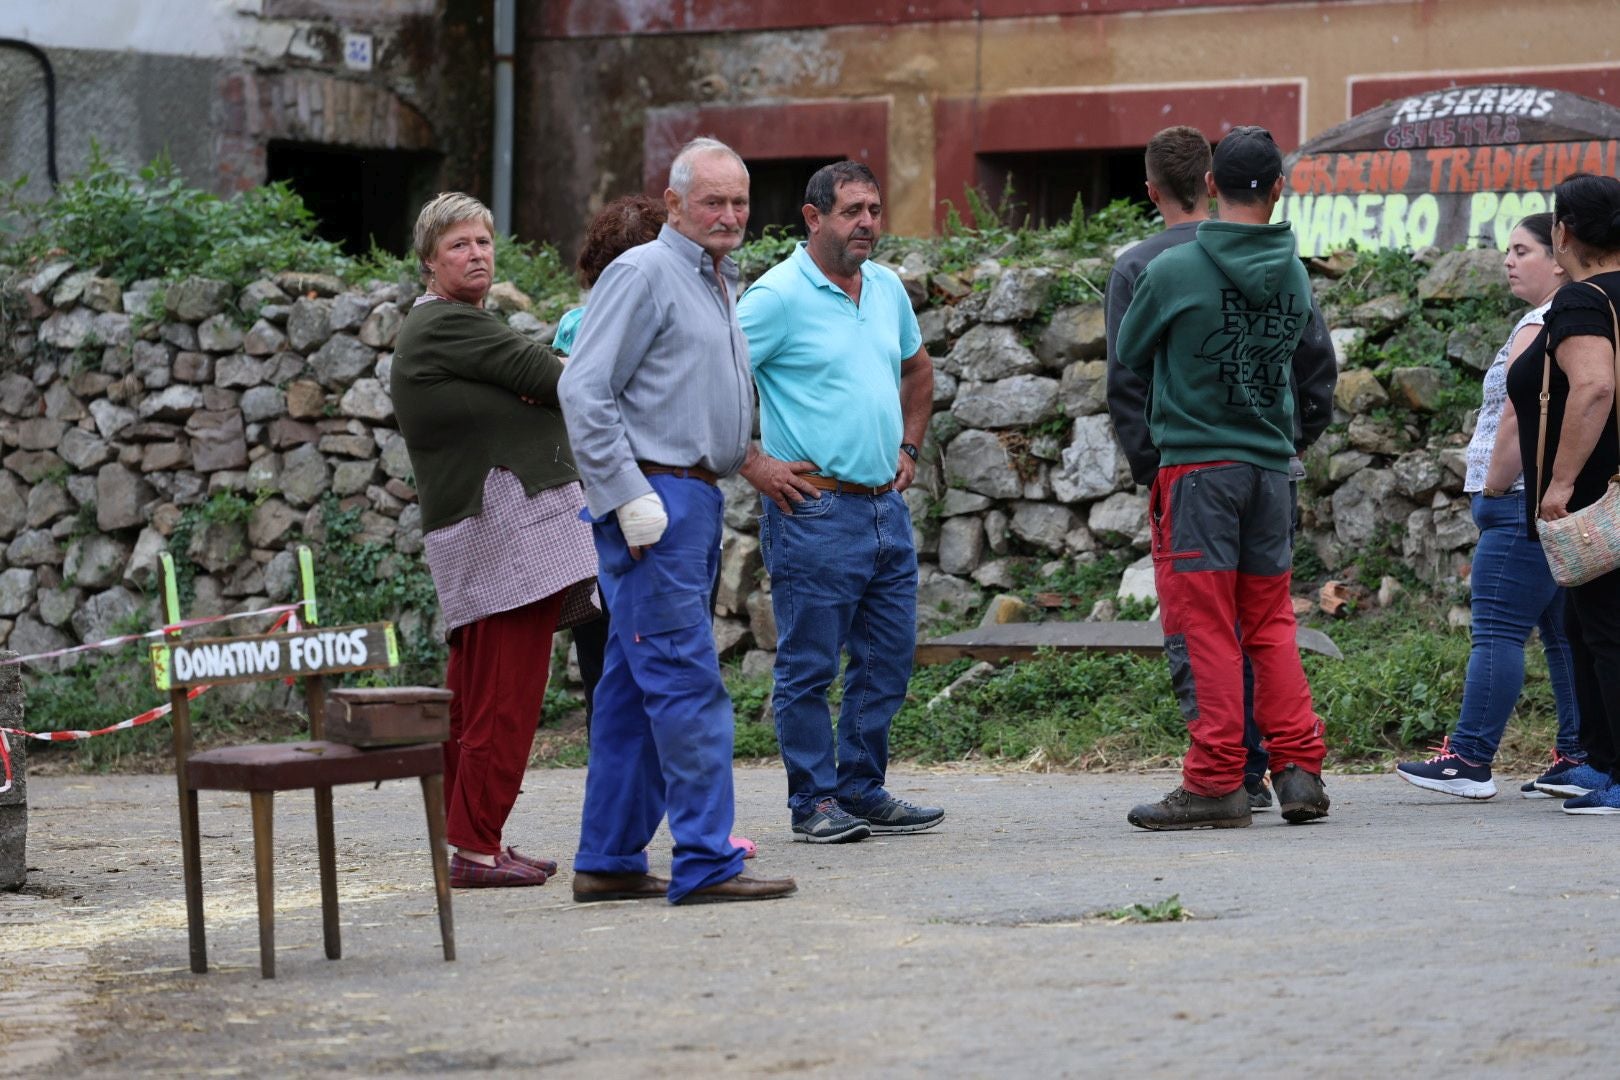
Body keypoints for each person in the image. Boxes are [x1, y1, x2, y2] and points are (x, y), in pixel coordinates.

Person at [558, 137, 797, 901]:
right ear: (673, 204)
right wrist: (626, 494)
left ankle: (608, 859)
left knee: (632, 691)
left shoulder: (715, 278)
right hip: (656, 500)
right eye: (712, 203)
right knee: (686, 683)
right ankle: (704, 858)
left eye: (739, 204)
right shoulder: (644, 272)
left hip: (691, 496)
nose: (729, 217)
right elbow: (584, 391)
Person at [1105, 125, 1336, 813]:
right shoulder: (1294, 271)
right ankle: (1298, 769)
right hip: (1270, 469)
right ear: (1279, 188)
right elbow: (1311, 363)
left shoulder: (1169, 270)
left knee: (1203, 625)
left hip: (1198, 472)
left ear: (1211, 185)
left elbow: (1132, 350)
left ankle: (1215, 781)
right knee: (1269, 625)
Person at [391, 192, 599, 888]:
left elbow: (531, 382)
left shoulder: (461, 328)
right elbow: (552, 378)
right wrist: (539, 390)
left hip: (486, 530)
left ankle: (477, 838)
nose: (476, 254)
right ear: (428, 263)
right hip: (503, 528)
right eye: (459, 245)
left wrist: (532, 391)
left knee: (479, 693)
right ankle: (476, 847)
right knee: (504, 696)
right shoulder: (451, 327)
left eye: (483, 242)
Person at [736, 161, 944, 843]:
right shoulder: (775, 297)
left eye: (875, 211)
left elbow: (917, 369)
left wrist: (909, 449)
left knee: (887, 659)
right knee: (809, 666)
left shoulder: (884, 288)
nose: (867, 225)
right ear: (813, 217)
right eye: (853, 211)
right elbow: (710, 381)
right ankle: (812, 803)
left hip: (885, 506)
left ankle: (860, 788)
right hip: (815, 511)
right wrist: (754, 464)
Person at [1396, 213, 1583, 800]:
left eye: (1522, 249)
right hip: (1547, 504)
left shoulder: (1541, 323)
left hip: (1519, 502)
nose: (1508, 260)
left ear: (1558, 258)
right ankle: (1578, 756)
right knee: (1562, 636)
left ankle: (1469, 759)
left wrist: (1496, 488)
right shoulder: (1575, 322)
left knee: (1497, 631)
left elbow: (1517, 418)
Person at [1505, 172, 1620, 815]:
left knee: (1604, 631)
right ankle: (1600, 761)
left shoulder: (1583, 300)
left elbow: (1594, 386)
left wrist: (1562, 481)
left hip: (1599, 499)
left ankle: (1615, 768)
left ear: (1564, 233)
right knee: (1584, 626)